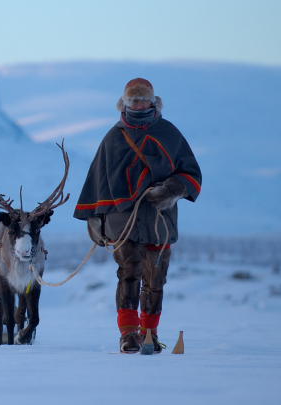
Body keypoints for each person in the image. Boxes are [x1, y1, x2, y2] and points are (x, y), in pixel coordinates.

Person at [74, 78, 201, 354]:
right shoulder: (113, 138)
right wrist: (95, 219)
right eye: (134, 100)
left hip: (158, 219)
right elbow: (97, 182)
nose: (139, 104)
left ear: (154, 103)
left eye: (144, 100)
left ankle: (149, 333)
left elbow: (191, 173)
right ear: (125, 103)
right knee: (128, 272)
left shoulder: (169, 133)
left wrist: (171, 189)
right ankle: (129, 334)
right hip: (123, 219)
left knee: (155, 277)